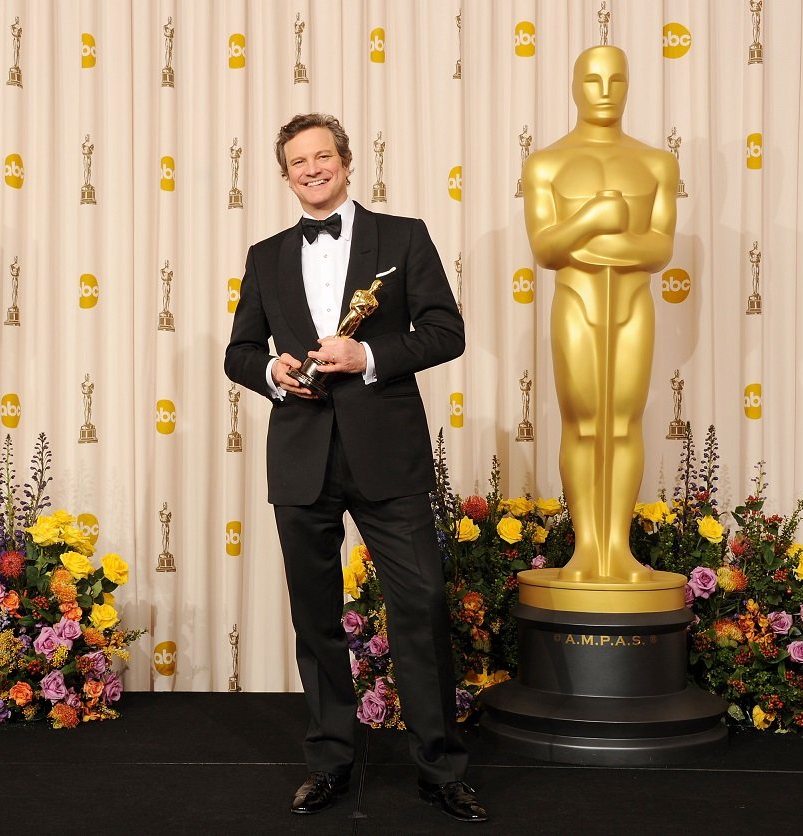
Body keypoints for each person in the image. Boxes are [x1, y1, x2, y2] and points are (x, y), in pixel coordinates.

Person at [224, 113, 483, 822]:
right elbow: (238, 350)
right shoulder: (266, 253)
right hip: (301, 455)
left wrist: (366, 357)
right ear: (285, 175)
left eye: (322, 157)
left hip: (386, 454)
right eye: (297, 162)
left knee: (421, 607)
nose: (311, 169)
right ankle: (333, 760)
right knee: (316, 620)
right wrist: (273, 371)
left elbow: (445, 331)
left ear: (346, 161)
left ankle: (440, 769)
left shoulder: (403, 237)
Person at [522, 45, 677, 583]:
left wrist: (592, 248)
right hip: (578, 304)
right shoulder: (546, 163)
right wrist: (593, 217)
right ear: (574, 84)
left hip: (633, 304)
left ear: (630, 84)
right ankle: (588, 547)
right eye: (592, 79)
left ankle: (620, 546)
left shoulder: (657, 163)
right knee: (584, 422)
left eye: (616, 80)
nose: (605, 91)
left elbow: (659, 250)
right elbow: (545, 249)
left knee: (624, 420)